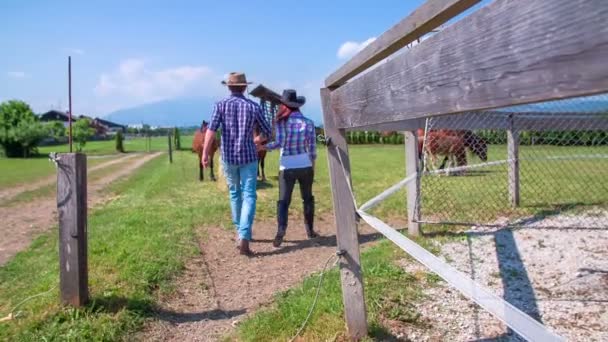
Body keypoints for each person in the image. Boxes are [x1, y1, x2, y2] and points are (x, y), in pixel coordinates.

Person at [202, 72, 272, 256]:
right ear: (244, 87)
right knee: (249, 195)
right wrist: (257, 141)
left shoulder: (220, 105)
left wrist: (205, 153)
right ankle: (244, 235)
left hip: (228, 157)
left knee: (235, 194)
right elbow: (267, 132)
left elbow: (211, 131)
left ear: (229, 87)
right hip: (249, 157)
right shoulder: (254, 107)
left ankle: (239, 232)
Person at [261, 89, 318, 248]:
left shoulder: (281, 122)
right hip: (305, 165)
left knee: (283, 201)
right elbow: (312, 150)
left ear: (284, 105)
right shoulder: (309, 122)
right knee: (307, 198)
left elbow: (278, 143)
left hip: (287, 167)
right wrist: (312, 167)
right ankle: (310, 230)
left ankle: (281, 230)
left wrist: (263, 147)